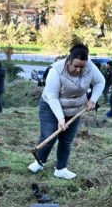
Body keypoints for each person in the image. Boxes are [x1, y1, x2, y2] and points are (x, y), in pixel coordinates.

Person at [28, 43, 105, 180]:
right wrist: (60, 118)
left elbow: (100, 82)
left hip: (75, 109)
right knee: (48, 137)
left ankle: (61, 168)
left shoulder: (90, 67)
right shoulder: (56, 70)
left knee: (66, 140)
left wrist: (93, 100)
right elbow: (52, 96)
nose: (78, 69)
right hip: (51, 107)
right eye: (75, 66)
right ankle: (40, 162)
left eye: (81, 67)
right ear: (69, 60)